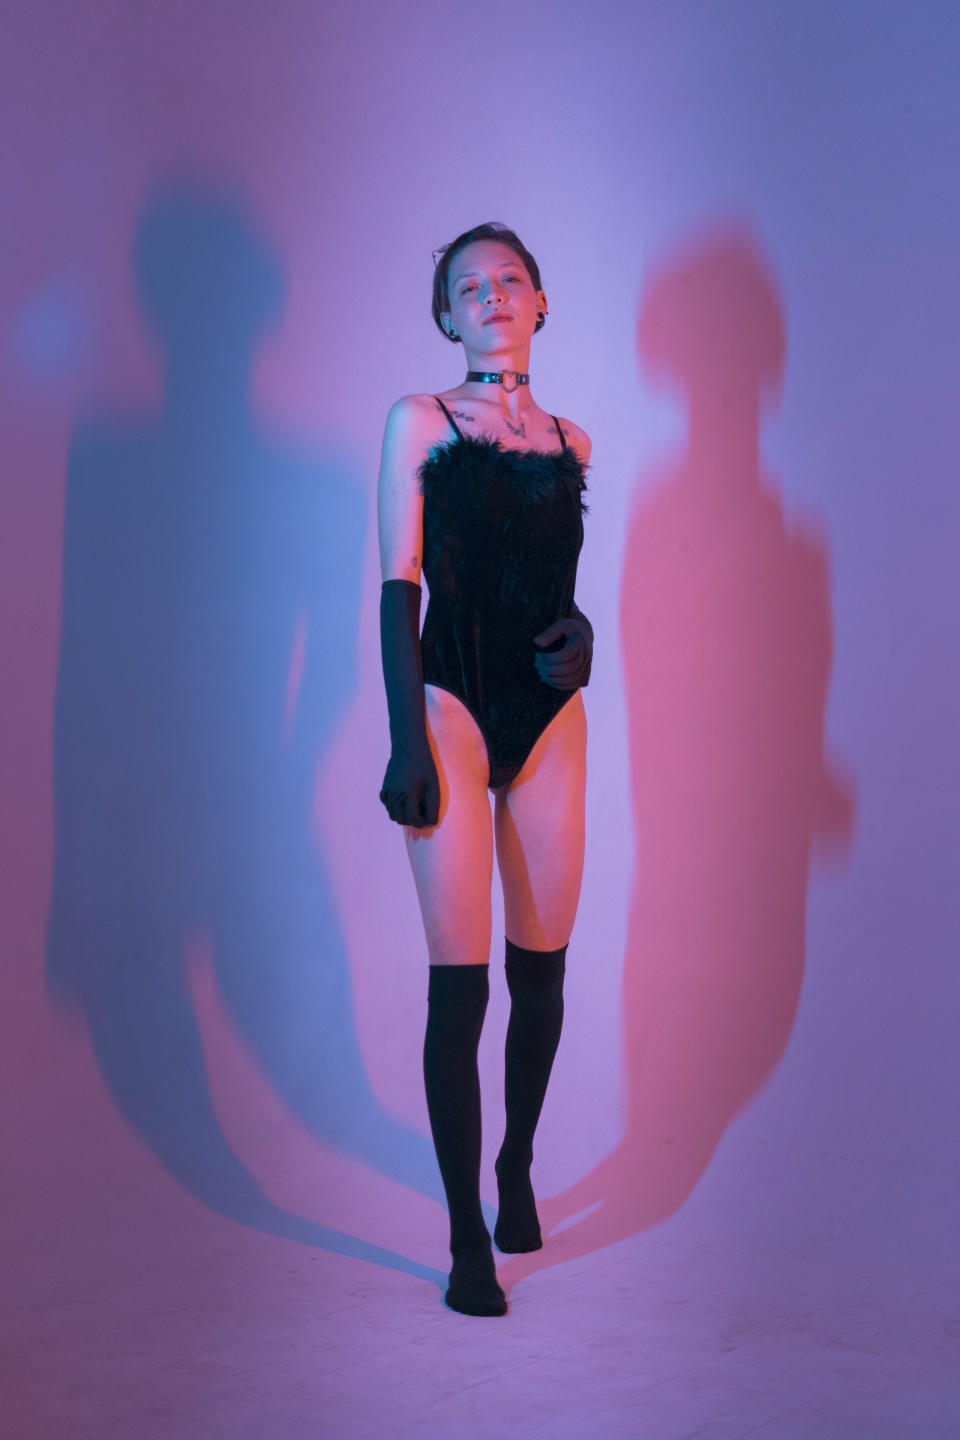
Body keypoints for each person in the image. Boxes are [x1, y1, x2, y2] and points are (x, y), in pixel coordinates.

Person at [376, 221, 594, 1317]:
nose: (492, 295)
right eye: (470, 286)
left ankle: (516, 1164)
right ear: (446, 316)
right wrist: (404, 740)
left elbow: (556, 595)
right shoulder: (420, 420)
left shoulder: (571, 441)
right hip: (449, 705)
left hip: (549, 719)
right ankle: (467, 1235)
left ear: (541, 302)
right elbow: (398, 587)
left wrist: (584, 637)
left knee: (541, 972)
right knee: (459, 986)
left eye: (510, 280)